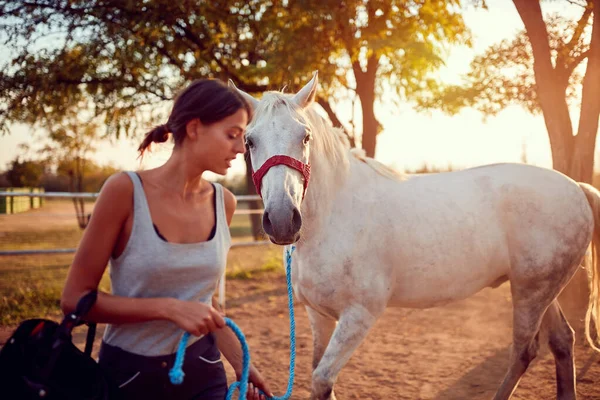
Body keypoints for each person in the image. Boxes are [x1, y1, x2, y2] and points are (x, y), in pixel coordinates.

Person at [61, 79, 272, 400]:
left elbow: (205, 302)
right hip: (131, 375)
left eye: (243, 138)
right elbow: (75, 299)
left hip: (204, 367)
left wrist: (245, 367)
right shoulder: (124, 191)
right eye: (232, 135)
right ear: (194, 128)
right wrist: (168, 309)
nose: (241, 148)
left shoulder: (224, 202)